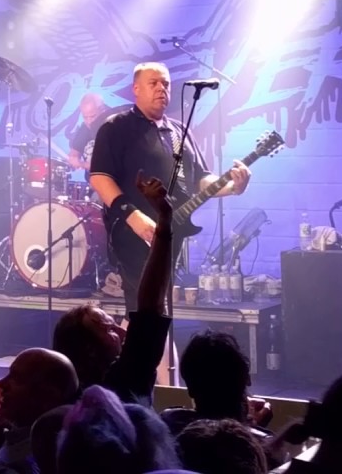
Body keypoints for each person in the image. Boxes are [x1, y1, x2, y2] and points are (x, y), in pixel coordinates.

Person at [89, 62, 250, 312]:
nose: (161, 88)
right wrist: (132, 215)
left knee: (157, 305)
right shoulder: (116, 127)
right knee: (144, 305)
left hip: (170, 232)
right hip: (132, 232)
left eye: (165, 84)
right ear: (136, 89)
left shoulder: (178, 132)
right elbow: (100, 178)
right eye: (153, 83)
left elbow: (200, 179)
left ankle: (144, 337)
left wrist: (232, 187)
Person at [67, 93, 109, 171]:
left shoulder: (113, 127)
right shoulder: (84, 128)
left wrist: (82, 164)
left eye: (92, 116)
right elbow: (75, 151)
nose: (89, 122)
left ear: (102, 110)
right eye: (85, 117)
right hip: (92, 178)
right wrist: (73, 158)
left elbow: (108, 165)